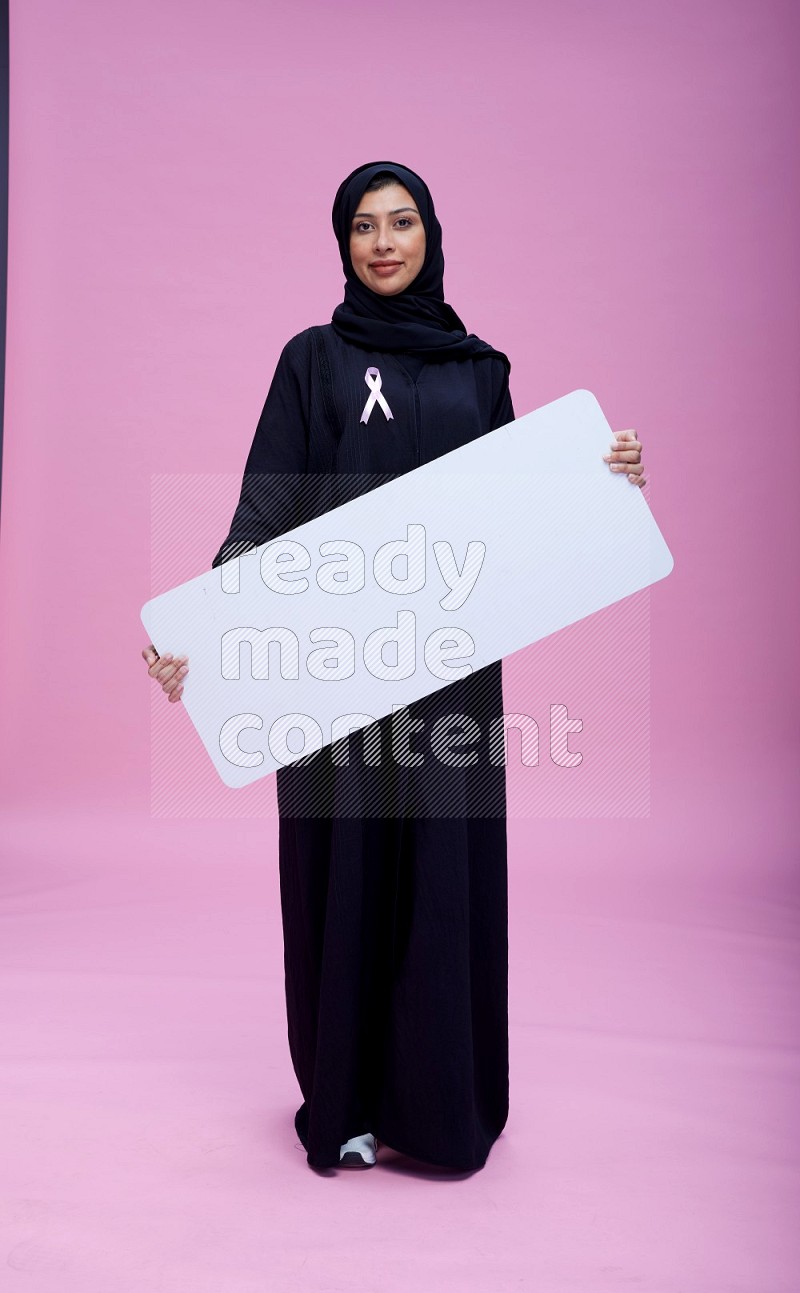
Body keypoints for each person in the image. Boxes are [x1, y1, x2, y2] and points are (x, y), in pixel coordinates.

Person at [142, 160, 646, 1174]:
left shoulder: (480, 373)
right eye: (362, 226)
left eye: (399, 222)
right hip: (329, 680)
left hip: (449, 686)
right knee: (345, 881)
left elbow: (525, 522)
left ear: (430, 234)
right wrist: (210, 631)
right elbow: (262, 513)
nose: (381, 242)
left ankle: (442, 1112)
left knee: (441, 884)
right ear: (341, 244)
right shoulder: (312, 362)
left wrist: (603, 479)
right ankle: (347, 1109)